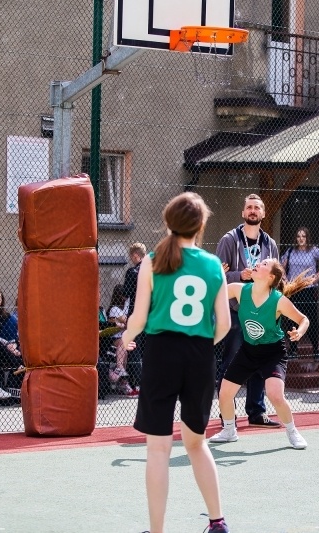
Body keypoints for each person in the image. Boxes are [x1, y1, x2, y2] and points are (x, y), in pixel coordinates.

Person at [120, 192, 231, 533]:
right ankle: (217, 522)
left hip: (161, 354)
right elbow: (224, 325)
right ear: (201, 225)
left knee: (158, 449)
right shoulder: (213, 265)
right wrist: (198, 346)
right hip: (198, 356)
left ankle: (157, 530)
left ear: (168, 222)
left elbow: (138, 317)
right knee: (196, 443)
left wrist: (126, 340)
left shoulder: (152, 261)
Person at [210, 259, 314, 449]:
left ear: (271, 277)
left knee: (275, 395)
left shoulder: (278, 300)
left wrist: (299, 332)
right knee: (224, 393)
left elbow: (303, 319)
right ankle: (229, 431)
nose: (258, 263)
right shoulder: (239, 290)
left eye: (264, 263)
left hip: (272, 353)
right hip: (249, 350)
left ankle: (292, 431)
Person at [215, 194, 281, 427]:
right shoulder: (229, 240)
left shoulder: (270, 244)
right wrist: (238, 275)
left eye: (257, 208)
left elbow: (276, 277)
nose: (253, 211)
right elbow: (217, 277)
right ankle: (227, 415)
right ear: (243, 213)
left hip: (261, 311)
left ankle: (256, 411)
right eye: (249, 208)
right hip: (235, 310)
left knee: (259, 362)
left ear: (263, 214)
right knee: (231, 362)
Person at [280, 227, 319, 361]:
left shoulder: (313, 250)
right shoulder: (291, 251)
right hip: (294, 290)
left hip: (309, 289)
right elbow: (280, 266)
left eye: (303, 236)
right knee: (293, 319)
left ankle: (316, 350)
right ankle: (293, 350)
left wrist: (318, 275)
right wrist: (285, 280)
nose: (301, 239)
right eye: (298, 236)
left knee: (312, 319)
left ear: (307, 238)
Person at [122, 243, 147, 390]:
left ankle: (137, 383)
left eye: (132, 256)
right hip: (152, 314)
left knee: (134, 348)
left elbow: (126, 292)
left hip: (136, 313)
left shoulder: (132, 272)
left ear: (135, 255)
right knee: (148, 348)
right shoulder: (154, 271)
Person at [106, 284, 135, 396]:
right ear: (119, 296)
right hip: (115, 337)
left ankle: (122, 381)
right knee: (123, 342)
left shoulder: (123, 309)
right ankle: (119, 367)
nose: (126, 298)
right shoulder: (115, 309)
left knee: (125, 352)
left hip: (123, 337)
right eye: (124, 296)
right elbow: (128, 322)